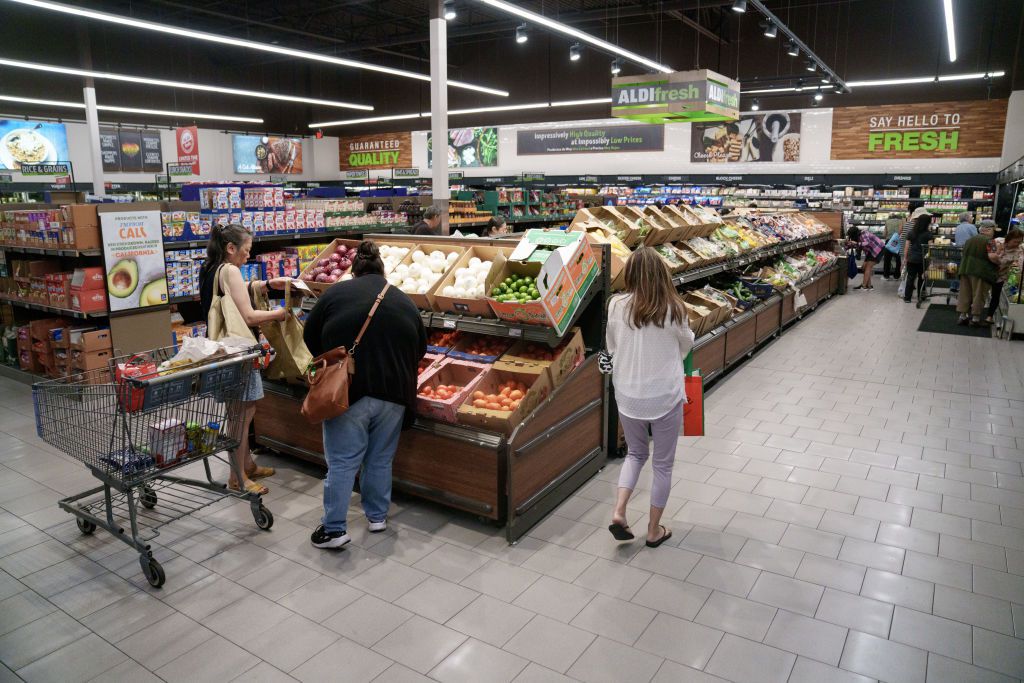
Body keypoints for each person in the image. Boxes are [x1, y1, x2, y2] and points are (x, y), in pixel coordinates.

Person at [303, 241, 427, 549]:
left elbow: (309, 334)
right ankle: (377, 517)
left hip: (349, 391)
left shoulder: (335, 293)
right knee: (380, 459)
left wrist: (333, 355)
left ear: (354, 271)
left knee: (343, 461)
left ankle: (333, 530)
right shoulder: (403, 300)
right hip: (395, 393)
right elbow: (420, 347)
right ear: (383, 270)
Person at [606, 247, 694, 548]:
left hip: (628, 395)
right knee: (662, 465)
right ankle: (654, 530)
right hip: (664, 397)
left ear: (629, 274)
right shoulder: (675, 308)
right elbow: (686, 346)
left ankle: (619, 511)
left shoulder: (616, 305)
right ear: (662, 274)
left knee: (635, 453)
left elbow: (612, 345)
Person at [200, 224, 289, 495]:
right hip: (237, 352)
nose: (248, 256)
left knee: (240, 412)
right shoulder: (231, 270)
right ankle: (237, 477)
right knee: (241, 416)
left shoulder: (210, 268)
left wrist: (264, 284)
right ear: (231, 248)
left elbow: (231, 294)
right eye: (246, 251)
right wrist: (282, 313)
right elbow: (249, 317)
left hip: (222, 352)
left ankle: (247, 464)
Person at [957, 222, 998, 326]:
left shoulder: (970, 240)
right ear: (988, 230)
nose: (994, 233)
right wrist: (1000, 261)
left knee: (965, 293)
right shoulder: (990, 241)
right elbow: (992, 257)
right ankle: (975, 319)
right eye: (994, 230)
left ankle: (963, 316)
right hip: (980, 272)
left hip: (965, 269)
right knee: (978, 294)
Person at [985, 226, 1023, 324]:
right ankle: (976, 312)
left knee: (995, 295)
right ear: (1009, 239)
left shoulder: (1018, 250)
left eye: (1019, 242)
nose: (1017, 244)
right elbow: (988, 251)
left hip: (1001, 275)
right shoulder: (997, 241)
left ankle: (989, 317)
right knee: (981, 293)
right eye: (1015, 241)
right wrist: (997, 252)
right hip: (987, 272)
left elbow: (1018, 261)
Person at [903, 213, 934, 303]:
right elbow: (930, 248)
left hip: (912, 258)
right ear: (927, 223)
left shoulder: (911, 232)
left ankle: (907, 297)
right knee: (922, 278)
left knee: (910, 277)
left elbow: (907, 246)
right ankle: (921, 297)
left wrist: (905, 258)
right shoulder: (928, 234)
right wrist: (931, 260)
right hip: (923, 259)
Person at [882, 216, 904, 280]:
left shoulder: (887, 221)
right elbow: (900, 231)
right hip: (897, 241)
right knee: (898, 259)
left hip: (888, 241)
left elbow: (884, 233)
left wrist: (886, 237)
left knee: (887, 260)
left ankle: (886, 276)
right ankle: (897, 276)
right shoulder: (901, 221)